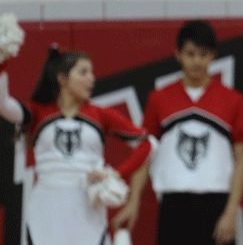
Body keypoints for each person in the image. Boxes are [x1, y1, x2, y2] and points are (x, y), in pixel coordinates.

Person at [0, 46, 153, 245]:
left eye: (92, 72)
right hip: (46, 209)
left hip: (87, 208)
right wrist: (2, 62)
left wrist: (115, 174)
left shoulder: (101, 114)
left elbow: (147, 144)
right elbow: (3, 105)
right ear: (62, 79)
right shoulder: (38, 112)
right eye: (83, 72)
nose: (92, 78)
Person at [119, 19, 243, 245]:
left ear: (213, 55)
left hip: (216, 205)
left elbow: (241, 160)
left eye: (203, 54)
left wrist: (230, 213)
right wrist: (133, 201)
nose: (197, 61)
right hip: (173, 207)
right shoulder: (159, 99)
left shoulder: (233, 101)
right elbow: (145, 154)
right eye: (190, 54)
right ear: (178, 54)